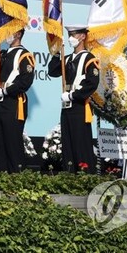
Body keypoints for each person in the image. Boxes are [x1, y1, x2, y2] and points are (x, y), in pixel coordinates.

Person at [0, 28, 35, 173]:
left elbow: (25, 82)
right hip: (0, 102)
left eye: (10, 31)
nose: (7, 34)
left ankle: (17, 175)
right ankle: (2, 174)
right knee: (0, 141)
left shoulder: (24, 55)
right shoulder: (2, 53)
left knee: (12, 142)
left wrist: (5, 90)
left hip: (14, 102)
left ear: (18, 34)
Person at [47, 24, 99, 173]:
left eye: (74, 35)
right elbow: (53, 71)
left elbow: (91, 84)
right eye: (69, 35)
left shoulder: (89, 59)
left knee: (80, 143)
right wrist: (57, 53)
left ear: (82, 36)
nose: (71, 38)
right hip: (66, 106)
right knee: (67, 143)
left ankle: (85, 174)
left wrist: (72, 95)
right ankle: (70, 174)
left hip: (80, 106)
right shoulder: (68, 58)